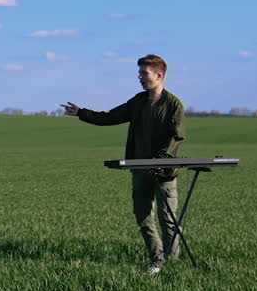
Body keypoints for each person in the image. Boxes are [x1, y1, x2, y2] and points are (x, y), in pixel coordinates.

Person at [60, 54, 186, 275]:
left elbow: (176, 137)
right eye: (139, 73)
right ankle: (157, 259)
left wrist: (160, 160)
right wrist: (81, 113)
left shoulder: (174, 104)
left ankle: (173, 262)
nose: (139, 77)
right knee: (143, 217)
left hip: (164, 172)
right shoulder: (138, 101)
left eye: (144, 73)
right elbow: (110, 117)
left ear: (159, 75)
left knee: (168, 218)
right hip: (140, 170)